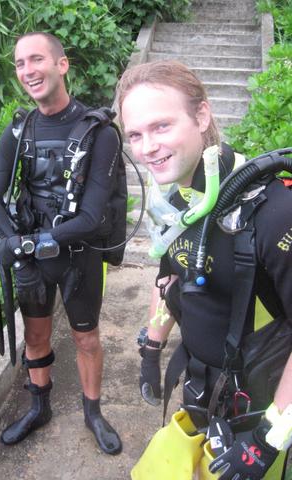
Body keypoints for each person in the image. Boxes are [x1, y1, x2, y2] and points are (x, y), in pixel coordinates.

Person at [116, 60, 292, 478]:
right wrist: (151, 344)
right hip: (204, 392)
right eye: (135, 135)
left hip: (265, 411)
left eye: (161, 127)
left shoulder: (273, 212)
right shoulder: (179, 201)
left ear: (201, 116)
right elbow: (169, 275)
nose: (147, 149)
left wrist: (271, 437)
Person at [0, 32, 122, 455]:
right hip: (32, 258)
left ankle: (93, 412)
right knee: (36, 338)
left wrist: (23, 244)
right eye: (20, 64)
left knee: (86, 338)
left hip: (78, 256)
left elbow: (92, 216)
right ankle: (39, 407)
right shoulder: (20, 128)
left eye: (36, 59)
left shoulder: (100, 132)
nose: (27, 71)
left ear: (62, 65)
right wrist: (9, 241)